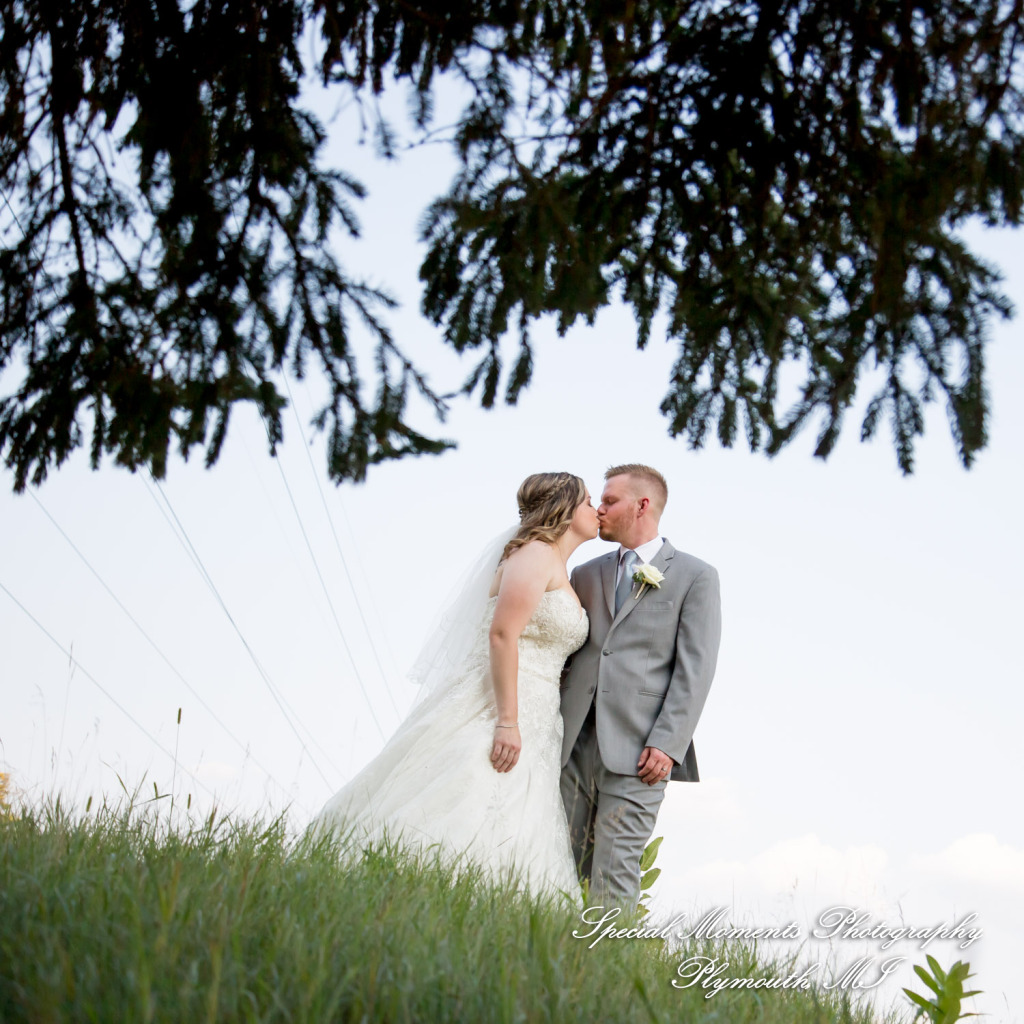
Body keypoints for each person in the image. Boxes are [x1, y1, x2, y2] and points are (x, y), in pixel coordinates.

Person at [314, 472, 599, 901]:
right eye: (589, 501)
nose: (596, 510)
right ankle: (413, 891)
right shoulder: (535, 556)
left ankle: (491, 905)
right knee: (468, 794)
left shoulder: (558, 566)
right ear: (565, 508)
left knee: (517, 817)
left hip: (540, 715)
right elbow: (502, 635)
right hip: (500, 707)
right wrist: (507, 720)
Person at [559, 464, 722, 910]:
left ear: (642, 505)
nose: (598, 509)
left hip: (641, 753)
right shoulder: (584, 574)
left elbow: (697, 667)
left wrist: (668, 744)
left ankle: (608, 971)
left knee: (615, 872)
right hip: (571, 744)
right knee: (561, 866)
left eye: (609, 501)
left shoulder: (695, 576)